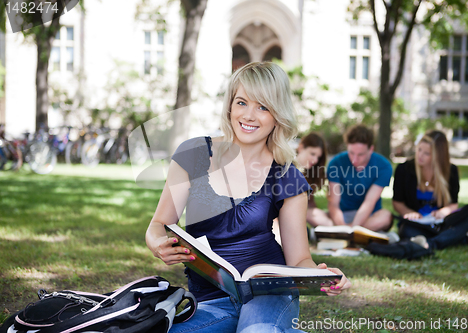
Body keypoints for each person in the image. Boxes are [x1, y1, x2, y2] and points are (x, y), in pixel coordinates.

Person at [145, 62, 351, 333]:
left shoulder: (287, 176)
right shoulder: (192, 153)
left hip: (270, 295)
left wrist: (319, 275)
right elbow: (159, 224)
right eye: (242, 102)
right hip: (210, 300)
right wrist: (158, 243)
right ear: (230, 104)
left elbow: (299, 259)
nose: (249, 115)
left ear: (277, 114)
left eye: (263, 107)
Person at [392, 130, 468, 249]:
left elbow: (453, 204)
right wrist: (409, 213)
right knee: (406, 231)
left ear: (438, 156)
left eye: (426, 153)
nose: (420, 155)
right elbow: (397, 203)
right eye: (419, 149)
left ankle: (431, 244)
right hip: (417, 225)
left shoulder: (451, 171)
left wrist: (443, 212)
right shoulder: (404, 169)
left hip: (442, 223)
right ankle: (460, 239)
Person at [326, 124, 393, 232]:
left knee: (386, 216)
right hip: (342, 215)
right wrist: (343, 226)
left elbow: (369, 202)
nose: (354, 160)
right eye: (351, 153)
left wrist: (351, 230)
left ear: (371, 149)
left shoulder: (384, 166)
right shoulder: (335, 163)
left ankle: (343, 233)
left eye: (360, 154)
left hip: (369, 216)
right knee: (312, 214)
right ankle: (360, 234)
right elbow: (334, 203)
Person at [295, 132, 334, 227]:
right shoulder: (284, 168)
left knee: (322, 216)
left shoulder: (309, 174)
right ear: (301, 148)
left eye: (318, 157)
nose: (315, 160)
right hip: (285, 216)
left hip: (302, 216)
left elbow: (310, 204)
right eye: (312, 154)